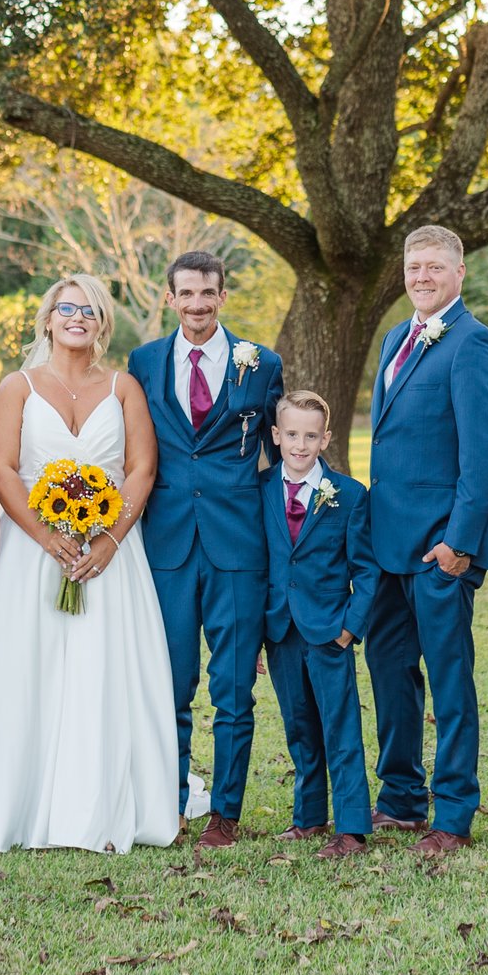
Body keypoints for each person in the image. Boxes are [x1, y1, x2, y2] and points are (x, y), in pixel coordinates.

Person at [0, 276, 179, 853]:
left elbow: (141, 469)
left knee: (106, 671)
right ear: (48, 319)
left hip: (109, 557)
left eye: (89, 309)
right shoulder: (19, 386)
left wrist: (111, 539)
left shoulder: (124, 388)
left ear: (101, 323)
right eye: (66, 307)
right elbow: (0, 468)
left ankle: (96, 808)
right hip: (32, 554)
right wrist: (47, 537)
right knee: (26, 671)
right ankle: (13, 808)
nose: (77, 317)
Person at [123, 250, 284, 845]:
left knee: (234, 685)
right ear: (170, 298)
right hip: (163, 544)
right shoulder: (142, 363)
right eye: (186, 294)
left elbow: (279, 453)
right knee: (169, 683)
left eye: (207, 293)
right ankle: (169, 802)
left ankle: (226, 812)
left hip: (238, 546)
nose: (196, 304)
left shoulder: (261, 364)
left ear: (222, 295)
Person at [361, 224, 488, 860]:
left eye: (434, 267)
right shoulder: (398, 337)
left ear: (458, 273)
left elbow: (483, 456)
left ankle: (452, 811)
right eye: (413, 267)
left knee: (449, 679)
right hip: (387, 544)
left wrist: (459, 543)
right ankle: (399, 797)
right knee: (389, 672)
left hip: (440, 549)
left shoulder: (474, 345)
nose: (421, 277)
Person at [259, 391, 378, 860]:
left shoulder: (348, 495)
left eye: (311, 436)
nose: (301, 444)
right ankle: (308, 817)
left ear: (325, 438)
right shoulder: (262, 489)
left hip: (329, 630)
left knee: (339, 727)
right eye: (291, 434)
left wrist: (350, 627)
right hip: (280, 630)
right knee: (299, 727)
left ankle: (351, 828)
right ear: (276, 436)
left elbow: (366, 569)